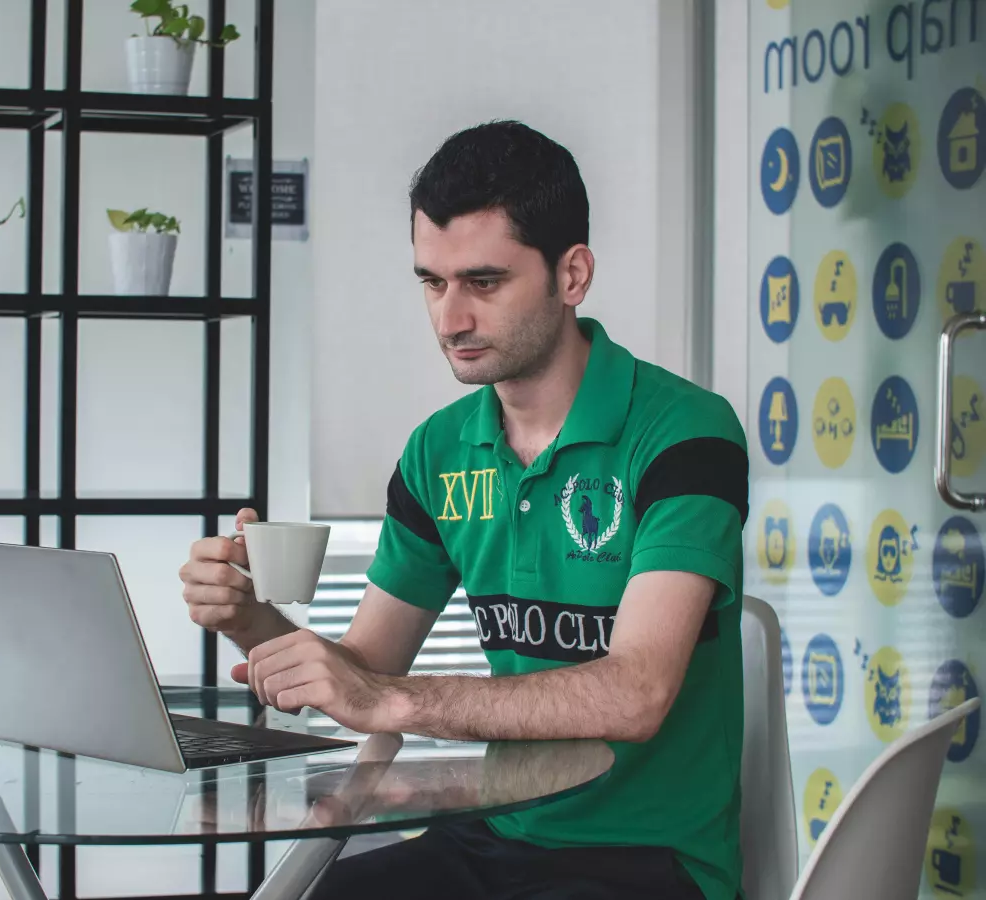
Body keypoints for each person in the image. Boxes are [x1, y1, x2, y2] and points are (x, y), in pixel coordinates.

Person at [179, 120, 749, 900]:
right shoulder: (438, 452)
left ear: (571, 274)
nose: (449, 320)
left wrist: (390, 699)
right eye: (432, 282)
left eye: (484, 282)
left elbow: (637, 693)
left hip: (648, 862)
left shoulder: (685, 434)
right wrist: (248, 619)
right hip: (499, 834)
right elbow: (367, 670)